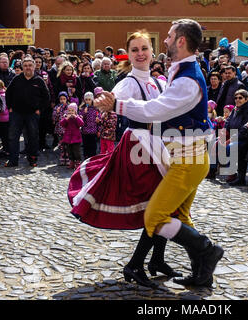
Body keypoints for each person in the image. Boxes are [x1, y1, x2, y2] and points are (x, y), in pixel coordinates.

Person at [93, 19, 224, 287]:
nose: (163, 41)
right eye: (135, 49)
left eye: (167, 36)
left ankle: (207, 251)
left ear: (181, 41)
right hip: (165, 152)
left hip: (184, 157)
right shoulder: (178, 73)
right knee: (177, 214)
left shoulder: (184, 78)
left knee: (154, 216)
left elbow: (157, 110)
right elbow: (117, 95)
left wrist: (116, 105)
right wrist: (105, 101)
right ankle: (201, 270)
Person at [68, 31, 179, 288]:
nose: (140, 53)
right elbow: (110, 99)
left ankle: (156, 260)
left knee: (166, 204)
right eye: (135, 50)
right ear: (128, 55)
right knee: (159, 206)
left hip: (159, 146)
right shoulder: (129, 82)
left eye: (144, 48)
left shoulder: (159, 82)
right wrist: (104, 102)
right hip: (138, 148)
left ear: (152, 52)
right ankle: (136, 264)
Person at [5, 56, 50, 167]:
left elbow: (47, 97)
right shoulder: (17, 79)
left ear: (34, 66)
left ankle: (32, 159)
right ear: (22, 67)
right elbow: (8, 93)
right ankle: (13, 160)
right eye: (25, 66)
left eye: (30, 65)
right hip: (16, 113)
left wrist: (39, 109)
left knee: (33, 137)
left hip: (32, 114)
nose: (28, 67)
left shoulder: (39, 80)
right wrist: (10, 107)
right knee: (13, 137)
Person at [221, 89, 248, 186]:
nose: (237, 100)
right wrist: (223, 132)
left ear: (246, 99)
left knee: (229, 147)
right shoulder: (235, 109)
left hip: (243, 139)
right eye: (236, 98)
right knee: (215, 143)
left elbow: (244, 130)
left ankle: (235, 175)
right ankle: (212, 170)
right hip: (232, 135)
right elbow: (228, 122)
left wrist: (231, 139)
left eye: (240, 98)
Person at [60, 103, 84, 169]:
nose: (70, 112)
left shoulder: (78, 117)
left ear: (75, 111)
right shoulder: (66, 117)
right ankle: (72, 162)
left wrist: (76, 117)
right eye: (69, 110)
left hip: (76, 138)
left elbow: (81, 123)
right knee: (69, 151)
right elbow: (61, 124)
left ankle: (78, 162)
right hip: (68, 138)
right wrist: (66, 119)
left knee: (76, 151)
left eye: (72, 111)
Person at [79, 92, 99, 159]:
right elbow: (80, 119)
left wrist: (98, 128)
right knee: (85, 145)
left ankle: (92, 157)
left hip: (93, 130)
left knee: (93, 145)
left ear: (92, 100)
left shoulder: (95, 109)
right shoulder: (82, 109)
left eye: (89, 99)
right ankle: (86, 156)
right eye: (86, 99)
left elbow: (98, 118)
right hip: (85, 131)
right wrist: (84, 113)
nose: (87, 101)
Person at [53, 91, 70, 166]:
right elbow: (54, 118)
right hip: (60, 129)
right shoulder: (57, 107)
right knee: (61, 144)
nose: (62, 100)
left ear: (66, 99)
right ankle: (63, 157)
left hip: (68, 130)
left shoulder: (70, 107)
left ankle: (69, 158)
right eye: (61, 99)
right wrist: (56, 112)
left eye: (64, 99)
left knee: (68, 144)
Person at [0, 80, 10, 157]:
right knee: (3, 136)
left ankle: (6, 151)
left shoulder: (2, 95)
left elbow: (2, 108)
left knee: (5, 136)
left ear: (2, 87)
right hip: (1, 118)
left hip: (3, 118)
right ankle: (6, 150)